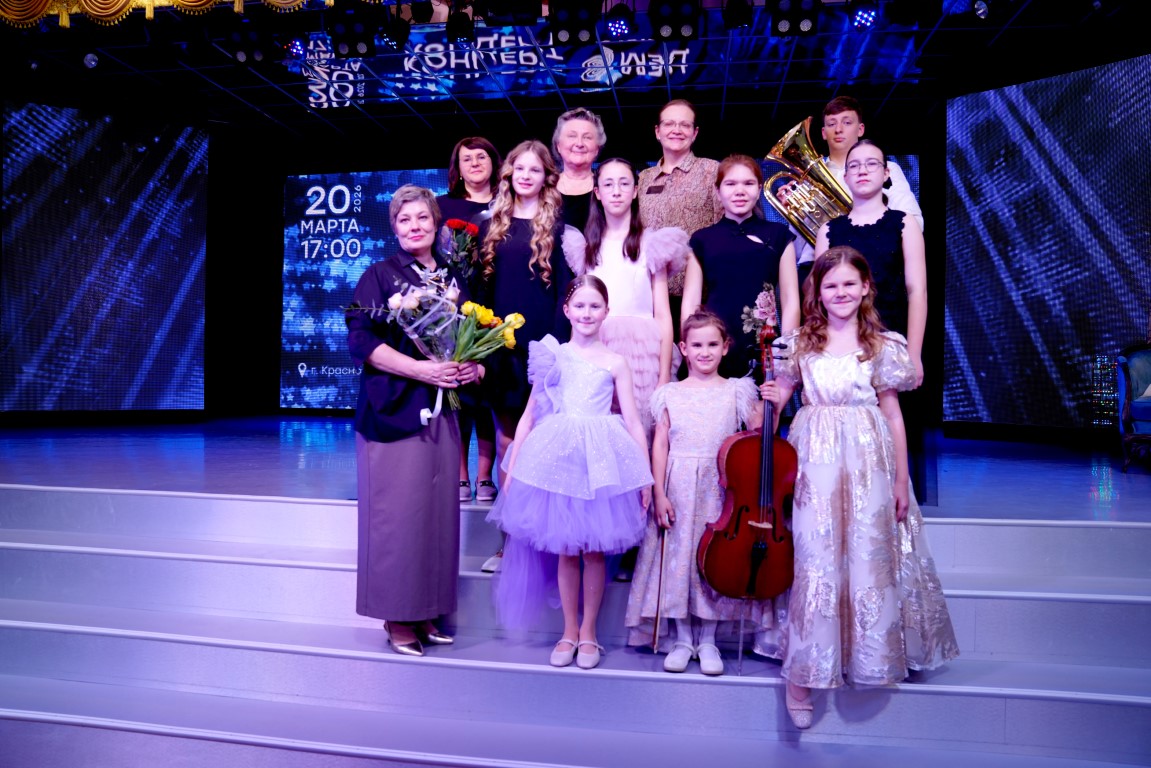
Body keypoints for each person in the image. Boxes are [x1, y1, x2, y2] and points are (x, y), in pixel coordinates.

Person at [757, 246, 958, 729]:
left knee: (869, 555)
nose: (841, 292)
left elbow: (893, 414)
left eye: (850, 283)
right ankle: (803, 673)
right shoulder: (799, 344)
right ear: (818, 292)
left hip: (869, 459)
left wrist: (902, 478)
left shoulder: (882, 345)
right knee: (816, 557)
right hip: (816, 460)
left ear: (866, 287)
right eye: (831, 285)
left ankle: (870, 655)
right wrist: (769, 399)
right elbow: (781, 396)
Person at [485, 275, 653, 669]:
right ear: (566, 310)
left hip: (599, 461)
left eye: (595, 306)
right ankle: (569, 630)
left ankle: (590, 632)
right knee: (566, 549)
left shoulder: (616, 362)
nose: (587, 313)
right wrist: (514, 466)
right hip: (560, 459)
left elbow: (632, 420)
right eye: (580, 305)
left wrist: (644, 476)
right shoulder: (553, 355)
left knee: (593, 552)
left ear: (607, 311)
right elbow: (529, 416)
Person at [346, 184, 484, 657]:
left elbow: (471, 335)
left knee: (435, 518)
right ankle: (395, 616)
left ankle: (424, 609)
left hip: (443, 410)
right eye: (404, 220)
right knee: (398, 518)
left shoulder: (453, 276)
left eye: (422, 217)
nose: (414, 226)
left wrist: (473, 366)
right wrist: (421, 370)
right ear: (394, 227)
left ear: (436, 222)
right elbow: (361, 342)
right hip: (395, 409)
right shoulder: (380, 275)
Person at [624, 309, 780, 676]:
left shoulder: (736, 390)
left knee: (713, 560)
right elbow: (660, 445)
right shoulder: (669, 393)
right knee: (678, 560)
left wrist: (772, 398)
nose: (704, 352)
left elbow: (759, 433)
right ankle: (682, 639)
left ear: (725, 347)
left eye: (712, 344)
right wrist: (658, 493)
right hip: (677, 484)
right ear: (683, 348)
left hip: (719, 486)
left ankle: (708, 639)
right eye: (696, 345)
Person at [476, 139, 575, 572]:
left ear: (546, 177)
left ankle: (544, 542)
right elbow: (481, 294)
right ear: (509, 174)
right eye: (520, 169)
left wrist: (554, 350)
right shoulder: (490, 226)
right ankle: (510, 542)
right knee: (508, 443)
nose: (527, 176)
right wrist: (479, 346)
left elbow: (565, 294)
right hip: (501, 350)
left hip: (545, 350)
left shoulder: (559, 229)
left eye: (535, 169)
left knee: (545, 446)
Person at [815, 138, 929, 501]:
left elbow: (917, 291)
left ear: (887, 173)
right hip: (840, 346)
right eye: (855, 166)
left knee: (889, 430)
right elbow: (819, 296)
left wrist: (914, 354)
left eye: (871, 164)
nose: (862, 171)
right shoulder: (829, 230)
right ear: (845, 176)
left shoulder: (903, 223)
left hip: (888, 339)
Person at [564, 157, 689, 439]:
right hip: (597, 347)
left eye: (624, 184)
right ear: (597, 193)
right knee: (599, 433)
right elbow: (580, 313)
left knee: (640, 433)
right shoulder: (586, 248)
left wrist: (664, 376)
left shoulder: (651, 244)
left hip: (643, 354)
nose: (616, 191)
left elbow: (663, 314)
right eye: (608, 184)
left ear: (635, 191)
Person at [681, 154, 800, 380]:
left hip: (763, 344)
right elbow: (690, 301)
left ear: (759, 188)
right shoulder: (702, 239)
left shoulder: (779, 235)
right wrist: (692, 350)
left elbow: (790, 299)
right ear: (718, 191)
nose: (740, 191)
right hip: (711, 343)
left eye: (748, 183)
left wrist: (786, 354)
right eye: (730, 184)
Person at [793, 95, 924, 287]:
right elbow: (797, 249)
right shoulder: (808, 178)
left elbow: (915, 222)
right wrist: (795, 213)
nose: (838, 129)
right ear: (823, 132)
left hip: (871, 262)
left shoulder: (888, 169)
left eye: (847, 122)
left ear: (860, 129)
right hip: (815, 266)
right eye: (831, 124)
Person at [436, 137, 502, 504]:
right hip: (454, 308)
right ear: (457, 169)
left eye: (481, 157)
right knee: (460, 394)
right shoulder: (441, 206)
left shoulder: (507, 204)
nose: (475, 163)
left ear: (494, 163)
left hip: (499, 305)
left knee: (490, 393)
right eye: (467, 159)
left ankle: (485, 475)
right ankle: (461, 475)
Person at [637, 99, 723, 336]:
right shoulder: (643, 178)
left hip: (700, 296)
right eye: (669, 124)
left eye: (685, 125)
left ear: (695, 133)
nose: (676, 130)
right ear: (658, 131)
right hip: (650, 295)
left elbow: (723, 227)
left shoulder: (711, 170)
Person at [552, 107, 606, 229]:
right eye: (572, 136)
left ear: (597, 149)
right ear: (558, 145)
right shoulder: (544, 188)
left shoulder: (608, 189)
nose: (579, 143)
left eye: (587, 137)